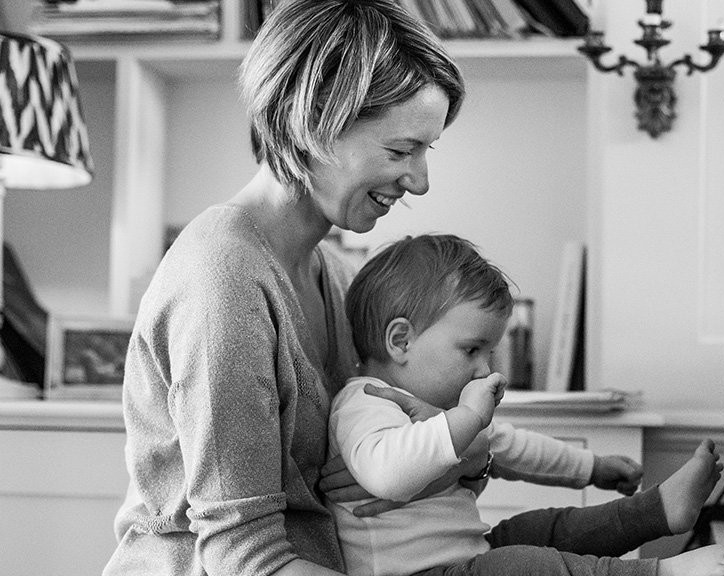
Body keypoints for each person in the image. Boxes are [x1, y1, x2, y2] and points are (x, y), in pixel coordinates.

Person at [103, 1, 474, 574]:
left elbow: (429, 445)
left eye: (426, 150)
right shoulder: (222, 283)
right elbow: (243, 557)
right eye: (401, 150)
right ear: (312, 121)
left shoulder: (341, 276)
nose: (420, 182)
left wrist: (443, 462)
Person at [330, 233, 724, 576]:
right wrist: (466, 420)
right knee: (525, 566)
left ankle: (657, 510)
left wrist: (594, 467)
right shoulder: (366, 402)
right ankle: (658, 572)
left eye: (490, 351)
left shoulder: (440, 409)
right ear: (401, 341)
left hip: (471, 556)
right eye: (471, 349)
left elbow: (518, 448)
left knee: (543, 528)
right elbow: (387, 476)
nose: (485, 369)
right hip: (423, 572)